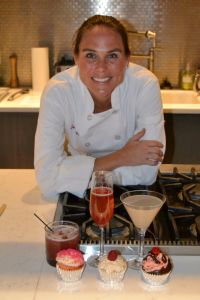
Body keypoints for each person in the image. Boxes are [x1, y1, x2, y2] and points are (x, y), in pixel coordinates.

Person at [34, 15, 165, 199]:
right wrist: (123, 157)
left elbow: (146, 173)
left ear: (127, 58)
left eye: (112, 56)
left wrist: (73, 172)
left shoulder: (144, 85)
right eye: (90, 55)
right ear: (76, 57)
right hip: (78, 196)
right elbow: (47, 179)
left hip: (132, 196)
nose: (101, 68)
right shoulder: (58, 91)